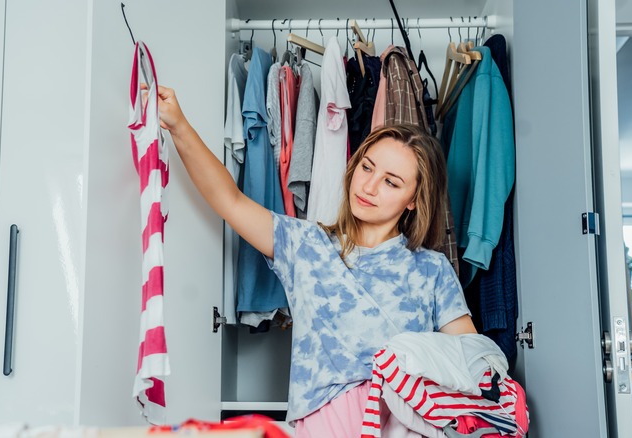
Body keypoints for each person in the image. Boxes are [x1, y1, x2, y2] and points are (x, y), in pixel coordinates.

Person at [155, 85, 477, 437]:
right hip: (323, 424)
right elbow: (229, 200)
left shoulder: (431, 269)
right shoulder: (306, 245)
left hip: (406, 425)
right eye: (366, 167)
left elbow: (471, 364)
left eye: (391, 182)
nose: (368, 187)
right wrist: (178, 125)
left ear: (414, 199)